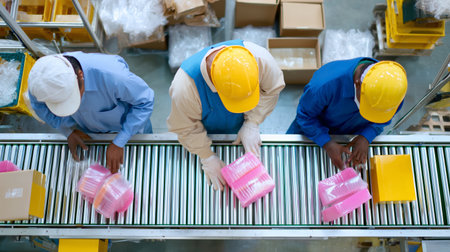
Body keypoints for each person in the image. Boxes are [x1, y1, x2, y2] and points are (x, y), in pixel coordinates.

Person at [167, 40, 285, 191]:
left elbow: (272, 90)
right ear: (215, 86)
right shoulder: (185, 87)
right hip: (207, 128)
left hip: (242, 122)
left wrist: (252, 122)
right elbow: (185, 127)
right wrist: (206, 156)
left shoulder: (261, 60)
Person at [28, 52, 154, 173]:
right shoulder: (41, 81)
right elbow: (37, 105)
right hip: (88, 128)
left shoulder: (114, 76)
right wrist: (68, 130)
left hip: (131, 129)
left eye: (74, 96)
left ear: (80, 75)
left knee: (144, 162)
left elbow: (145, 102)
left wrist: (120, 140)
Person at [287, 57, 407, 169]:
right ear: (357, 83)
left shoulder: (393, 94)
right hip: (311, 131)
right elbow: (305, 116)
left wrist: (366, 136)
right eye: (367, 106)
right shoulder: (324, 85)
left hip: (349, 134)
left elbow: (383, 119)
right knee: (290, 163)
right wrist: (326, 142)